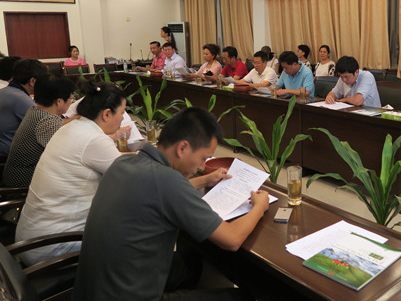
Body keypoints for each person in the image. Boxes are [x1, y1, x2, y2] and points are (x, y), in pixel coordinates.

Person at [72, 108, 269, 301]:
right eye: (203, 158)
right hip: (129, 293)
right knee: (241, 296)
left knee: (194, 261)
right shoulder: (168, 181)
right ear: (182, 148)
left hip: (94, 289)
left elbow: (161, 192)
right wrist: (260, 206)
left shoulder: (124, 163)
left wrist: (205, 180)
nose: (202, 166)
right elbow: (232, 239)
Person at [15, 81, 126, 265]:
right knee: (135, 236)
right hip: (54, 248)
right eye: (122, 113)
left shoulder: (71, 127)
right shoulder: (94, 139)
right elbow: (132, 180)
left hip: (29, 240)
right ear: (106, 114)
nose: (123, 119)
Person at [3, 73, 76, 187]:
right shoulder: (48, 121)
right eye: (71, 98)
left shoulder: (35, 111)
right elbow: (67, 155)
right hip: (23, 184)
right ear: (59, 101)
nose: (71, 101)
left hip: (16, 176)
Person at [0, 59, 48, 156]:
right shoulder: (19, 98)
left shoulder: (5, 91)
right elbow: (47, 126)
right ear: (32, 81)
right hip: (10, 155)